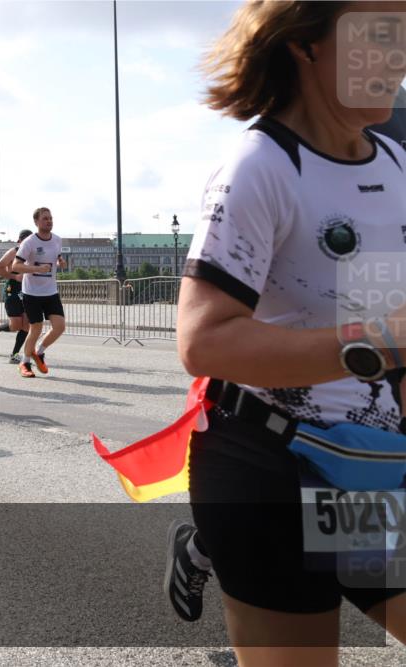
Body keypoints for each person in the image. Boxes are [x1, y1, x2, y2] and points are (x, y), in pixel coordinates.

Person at [164, 2, 406, 662]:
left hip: (367, 471)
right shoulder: (261, 168)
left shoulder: (396, 165)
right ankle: (207, 542)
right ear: (307, 45)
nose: (400, 54)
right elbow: (205, 340)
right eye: (380, 36)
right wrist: (378, 339)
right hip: (269, 470)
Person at [11, 208, 66, 378]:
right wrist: (36, 268)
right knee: (35, 328)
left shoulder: (57, 240)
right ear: (36, 222)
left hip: (50, 291)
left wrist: (61, 261)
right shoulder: (29, 242)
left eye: (50, 218)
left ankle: (39, 352)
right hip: (32, 292)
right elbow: (15, 266)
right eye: (45, 219)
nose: (49, 221)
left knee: (60, 327)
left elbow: (57, 256)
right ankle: (25, 362)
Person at [0, 229, 34, 364]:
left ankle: (14, 354)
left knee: (26, 326)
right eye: (26, 240)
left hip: (28, 290)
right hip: (13, 289)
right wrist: (14, 276)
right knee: (16, 325)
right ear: (20, 241)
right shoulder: (14, 252)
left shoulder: (33, 254)